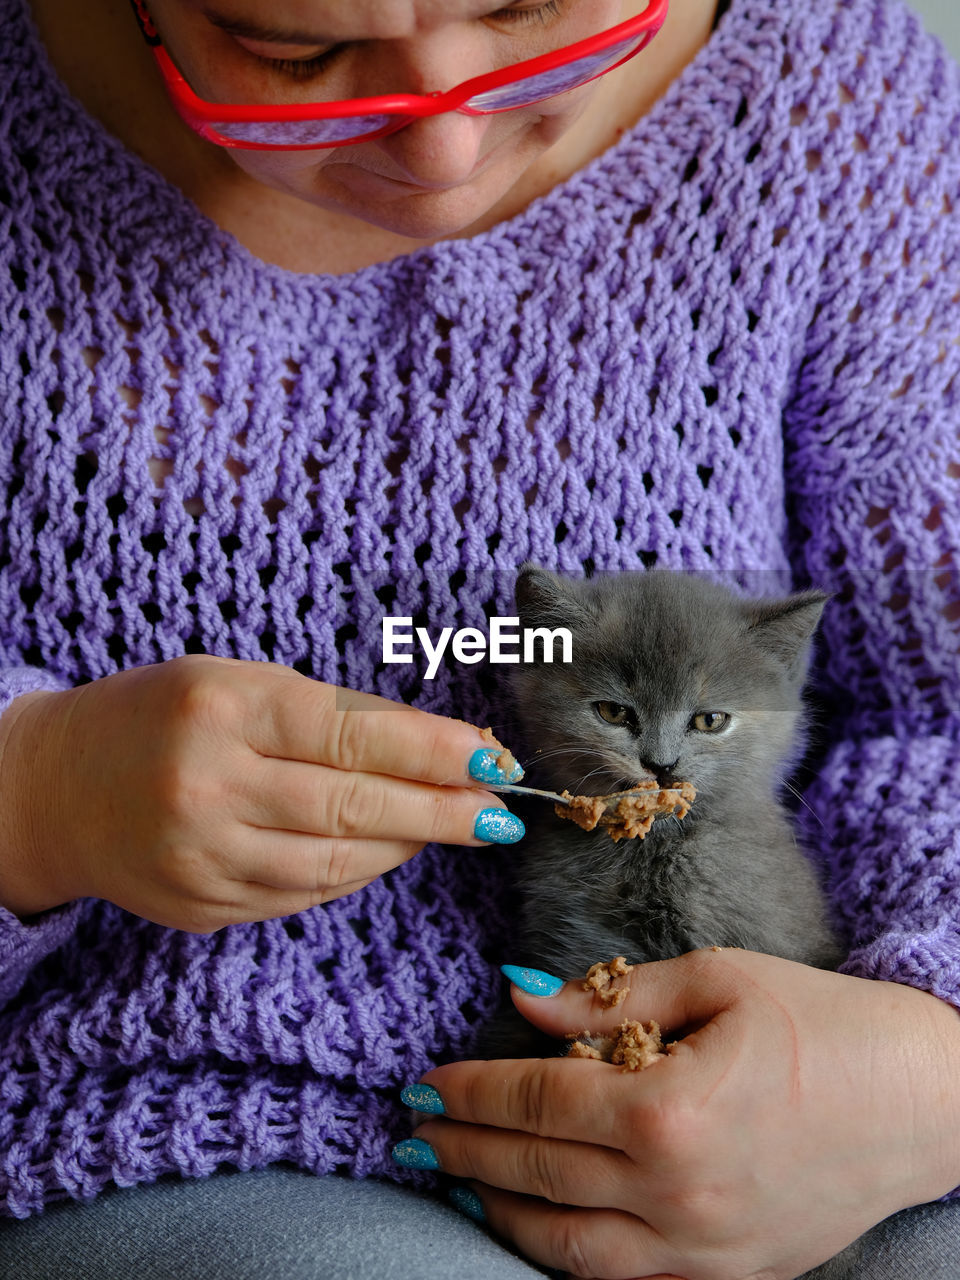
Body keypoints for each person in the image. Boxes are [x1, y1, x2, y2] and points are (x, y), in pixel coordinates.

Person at [0, 0, 958, 1275]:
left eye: (528, 9)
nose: (443, 147)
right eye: (292, 51)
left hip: (815, 1112)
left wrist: (924, 1060)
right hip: (222, 1127)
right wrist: (36, 791)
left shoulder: (829, 112)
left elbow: (938, 714)